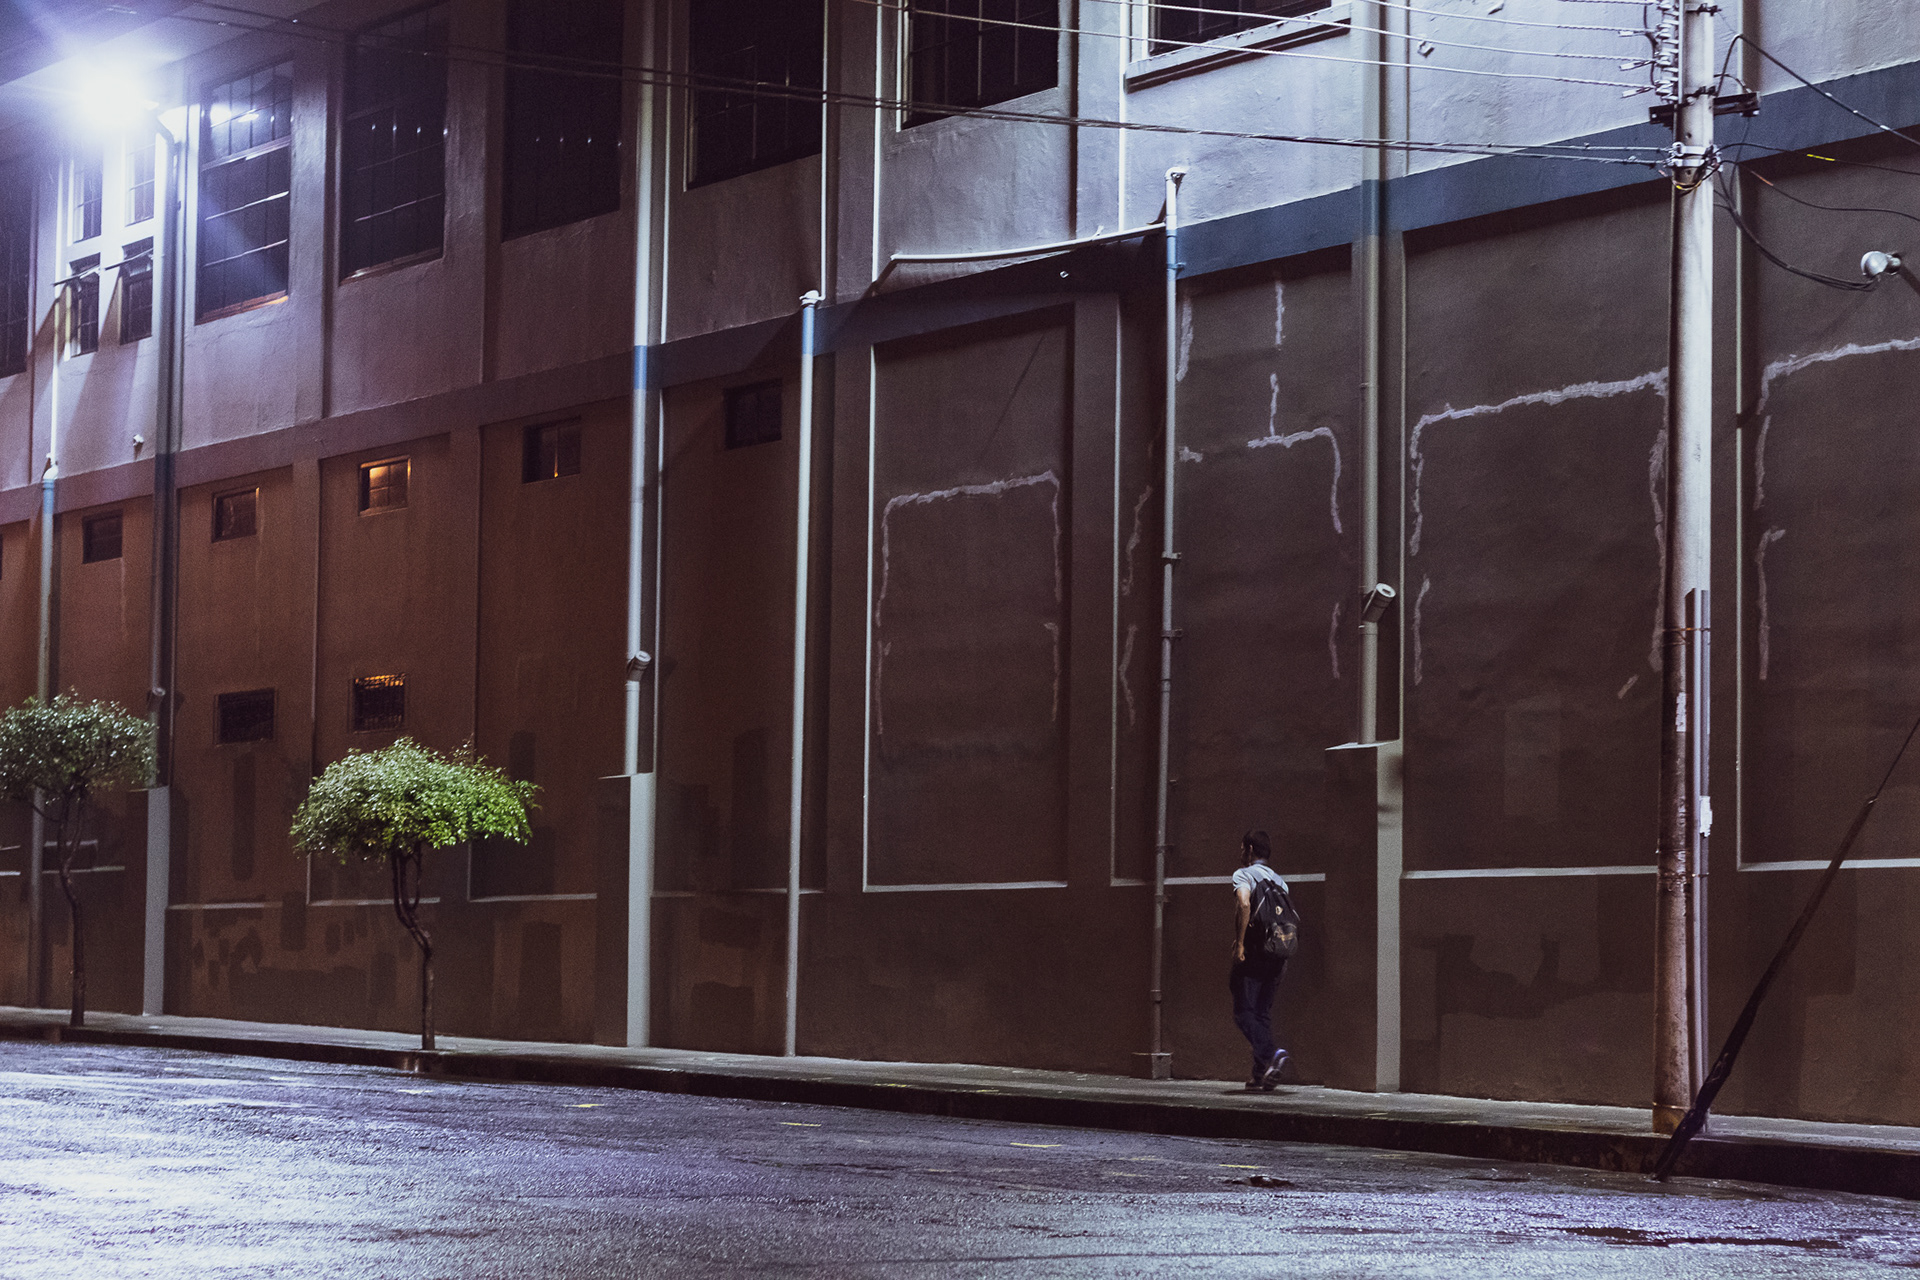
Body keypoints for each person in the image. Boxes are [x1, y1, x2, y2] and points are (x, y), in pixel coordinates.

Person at [1230, 829, 1290, 1091]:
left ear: (1251, 850)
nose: (1241, 853)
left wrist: (1240, 943)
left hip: (1254, 953)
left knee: (1244, 1013)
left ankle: (1271, 1054)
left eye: (1242, 848)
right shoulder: (1280, 881)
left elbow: (1244, 904)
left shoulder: (1244, 874)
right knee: (1262, 1013)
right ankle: (1260, 1075)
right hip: (1277, 955)